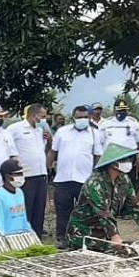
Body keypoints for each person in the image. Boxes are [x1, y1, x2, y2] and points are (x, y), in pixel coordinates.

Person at [66, 143, 139, 252]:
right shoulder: (94, 182)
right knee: (129, 252)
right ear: (113, 164)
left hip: (105, 233)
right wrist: (114, 235)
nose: (129, 163)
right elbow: (103, 212)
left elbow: (135, 206)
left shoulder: (124, 180)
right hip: (83, 234)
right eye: (125, 160)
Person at [49, 106, 106, 248]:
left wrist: (97, 177)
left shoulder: (94, 134)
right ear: (73, 118)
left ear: (89, 118)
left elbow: (97, 157)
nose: (82, 120)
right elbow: (53, 152)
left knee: (85, 210)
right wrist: (46, 170)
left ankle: (83, 238)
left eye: (85, 117)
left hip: (84, 179)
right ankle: (63, 238)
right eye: (79, 117)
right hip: (63, 178)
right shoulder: (62, 132)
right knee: (63, 209)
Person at [7, 104, 49, 237]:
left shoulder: (40, 130)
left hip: (41, 174)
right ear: (33, 115)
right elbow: (8, 148)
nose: (44, 119)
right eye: (42, 116)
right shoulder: (15, 128)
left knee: (39, 208)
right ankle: (24, 236)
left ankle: (37, 236)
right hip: (26, 175)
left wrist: (49, 139)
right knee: (26, 208)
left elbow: (42, 150)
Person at [0, 160, 33, 234]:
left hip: (21, 238)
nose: (22, 176)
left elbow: (24, 220)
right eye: (19, 174)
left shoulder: (20, 192)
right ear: (8, 177)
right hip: (8, 239)